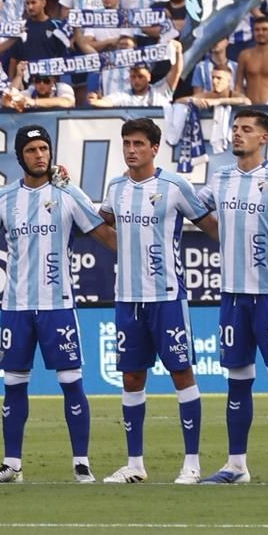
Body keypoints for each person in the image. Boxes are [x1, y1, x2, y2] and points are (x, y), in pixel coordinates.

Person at [0, 126, 113, 484]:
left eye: (44, 148)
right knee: (14, 384)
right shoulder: (4, 199)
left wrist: (140, 243)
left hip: (57, 304)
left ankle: (81, 462)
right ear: (20, 156)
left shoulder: (67, 193)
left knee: (71, 382)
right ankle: (11, 464)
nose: (39, 155)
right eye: (31, 149)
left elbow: (105, 237)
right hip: (15, 307)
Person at [194, 109, 268, 485]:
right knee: (238, 379)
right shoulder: (222, 177)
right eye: (235, 128)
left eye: (246, 129)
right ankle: (236, 465)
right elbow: (195, 210)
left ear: (264, 137)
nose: (237, 134)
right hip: (232, 295)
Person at [93, 117, 216, 483]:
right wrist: (121, 247)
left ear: (154, 148)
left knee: (182, 372)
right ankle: (135, 464)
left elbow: (210, 227)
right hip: (126, 298)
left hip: (167, 296)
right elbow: (100, 226)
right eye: (127, 143)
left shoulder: (174, 185)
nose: (131, 150)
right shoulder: (115, 187)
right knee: (131, 377)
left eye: (138, 144)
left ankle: (192, 462)